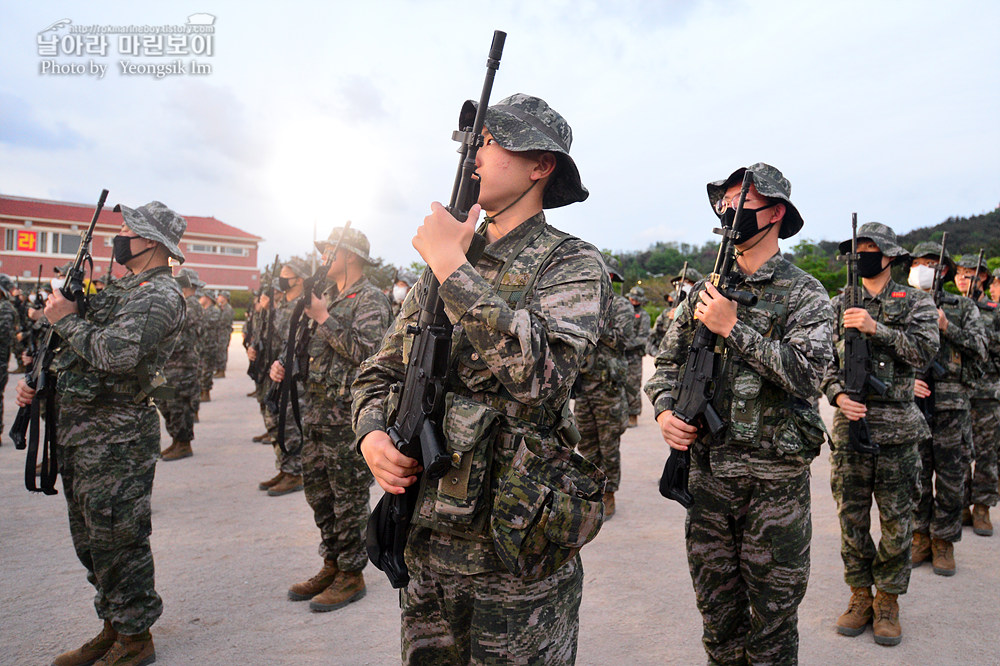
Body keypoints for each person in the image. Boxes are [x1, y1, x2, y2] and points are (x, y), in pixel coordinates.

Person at [353, 94, 609, 663]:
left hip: (515, 549)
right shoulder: (445, 262)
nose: (473, 155)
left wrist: (453, 269)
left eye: (491, 142)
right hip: (428, 536)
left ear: (540, 166)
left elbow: (542, 378)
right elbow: (379, 371)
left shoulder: (571, 264)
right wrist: (371, 435)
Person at [645, 163, 834, 664]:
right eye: (723, 204)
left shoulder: (805, 293)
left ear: (774, 214)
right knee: (719, 622)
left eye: (741, 204)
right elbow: (666, 364)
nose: (729, 213)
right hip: (708, 484)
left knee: (771, 630)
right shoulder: (705, 290)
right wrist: (665, 411)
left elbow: (808, 375)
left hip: (774, 489)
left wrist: (734, 328)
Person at [17, 201, 186, 666]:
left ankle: (135, 638)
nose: (120, 237)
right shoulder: (126, 288)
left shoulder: (159, 295)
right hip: (83, 433)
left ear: (150, 240)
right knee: (91, 541)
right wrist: (40, 383)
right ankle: (112, 625)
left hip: (117, 440)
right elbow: (81, 352)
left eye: (128, 229)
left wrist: (66, 319)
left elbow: (115, 354)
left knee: (119, 540)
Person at [821, 223, 938, 645]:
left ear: (888, 256)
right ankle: (859, 595)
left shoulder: (916, 302)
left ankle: (887, 599)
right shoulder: (838, 305)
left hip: (898, 429)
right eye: (857, 248)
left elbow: (925, 352)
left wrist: (877, 328)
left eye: (870, 247)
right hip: (850, 426)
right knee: (850, 519)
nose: (863, 253)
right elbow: (820, 361)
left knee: (897, 521)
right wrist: (836, 395)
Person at [274, 226, 392, 611]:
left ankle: (352, 573)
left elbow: (369, 354)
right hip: (317, 413)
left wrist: (325, 317)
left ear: (351, 255)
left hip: (348, 419)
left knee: (348, 499)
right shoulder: (330, 298)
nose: (324, 258)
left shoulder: (370, 299)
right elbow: (311, 350)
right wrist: (284, 364)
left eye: (329, 251)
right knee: (320, 495)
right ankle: (332, 562)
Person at [907, 242, 987, 576]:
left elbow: (981, 351)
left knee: (952, 478)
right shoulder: (904, 305)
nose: (924, 269)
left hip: (952, 406)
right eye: (919, 263)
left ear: (944, 271)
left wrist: (946, 327)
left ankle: (944, 541)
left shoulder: (964, 307)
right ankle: (920, 535)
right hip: (914, 404)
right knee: (917, 475)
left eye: (931, 263)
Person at [574, 254, 631, 518]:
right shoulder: (584, 305)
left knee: (609, 446)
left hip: (608, 388)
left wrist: (599, 315)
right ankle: (590, 491)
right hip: (585, 386)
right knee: (585, 443)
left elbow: (620, 341)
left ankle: (609, 493)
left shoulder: (621, 307)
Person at [954, 255, 1000, 536]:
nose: (962, 278)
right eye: (959, 272)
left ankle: (982, 506)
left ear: (982, 277)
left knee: (986, 452)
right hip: (957, 391)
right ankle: (960, 503)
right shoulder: (951, 307)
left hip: (986, 392)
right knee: (957, 452)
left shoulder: (993, 311)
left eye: (969, 273)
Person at [256, 258, 309, 496]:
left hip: (293, 374)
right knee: (274, 421)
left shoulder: (302, 304)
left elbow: (291, 337)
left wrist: (270, 311)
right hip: (275, 371)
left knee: (289, 425)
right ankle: (284, 467)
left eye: (286, 274)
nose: (282, 278)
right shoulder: (283, 304)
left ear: (298, 278)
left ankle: (294, 472)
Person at [159, 268, 205, 461]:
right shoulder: (183, 303)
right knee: (166, 403)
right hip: (171, 364)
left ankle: (184, 443)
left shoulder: (192, 305)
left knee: (179, 404)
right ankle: (177, 440)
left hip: (182, 365)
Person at [647, 267, 703, 357]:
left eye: (688, 282)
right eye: (679, 282)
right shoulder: (667, 313)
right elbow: (651, 338)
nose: (682, 285)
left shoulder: (702, 310)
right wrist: (660, 355)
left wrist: (683, 318)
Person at [624, 285, 650, 427]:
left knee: (632, 385)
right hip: (620, 355)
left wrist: (627, 344)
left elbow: (644, 337)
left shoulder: (643, 315)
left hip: (634, 356)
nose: (633, 301)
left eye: (636, 299)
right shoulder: (623, 312)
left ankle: (633, 415)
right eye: (631, 298)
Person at [215, 290, 234, 378]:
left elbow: (222, 322)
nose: (218, 298)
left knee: (222, 351)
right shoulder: (222, 308)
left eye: (220, 296)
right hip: (220, 333)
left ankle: (221, 371)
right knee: (219, 351)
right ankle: (218, 370)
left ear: (224, 298)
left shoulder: (227, 309)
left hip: (223, 334)